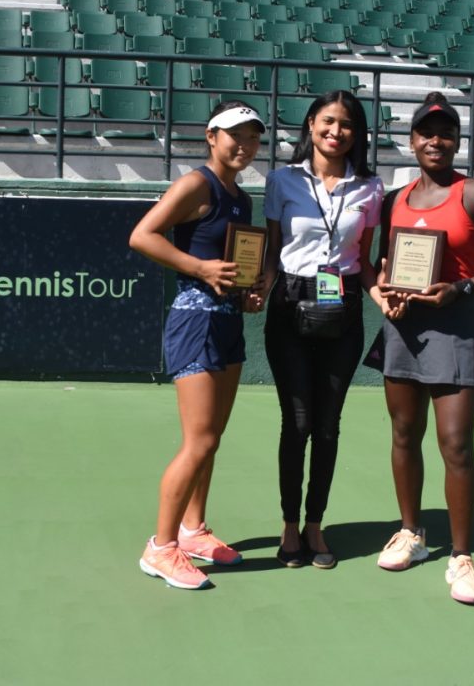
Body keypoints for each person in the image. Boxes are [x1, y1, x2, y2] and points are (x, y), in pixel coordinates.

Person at [364, 92, 474, 604]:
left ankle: (461, 557)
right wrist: (385, 294)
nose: (435, 140)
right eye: (426, 132)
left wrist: (465, 288)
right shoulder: (393, 198)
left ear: (457, 140)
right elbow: (379, 263)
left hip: (455, 325)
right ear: (411, 140)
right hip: (403, 327)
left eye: (446, 132)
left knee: (456, 445)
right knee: (403, 433)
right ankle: (412, 533)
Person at [129, 101, 268, 590]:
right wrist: (200, 268)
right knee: (200, 440)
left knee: (212, 439)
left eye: (253, 138)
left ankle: (193, 531)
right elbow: (142, 236)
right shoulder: (195, 184)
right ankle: (160, 547)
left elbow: (236, 263)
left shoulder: (241, 198)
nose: (244, 146)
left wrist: (249, 290)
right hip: (194, 323)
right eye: (235, 135)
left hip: (228, 323)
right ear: (211, 136)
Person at [261, 90, 390, 570]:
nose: (337, 132)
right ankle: (290, 525)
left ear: (357, 134)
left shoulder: (371, 189)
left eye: (348, 124)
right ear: (311, 124)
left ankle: (317, 523)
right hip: (290, 309)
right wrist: (259, 289)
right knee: (296, 423)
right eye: (328, 121)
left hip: (344, 309)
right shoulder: (281, 180)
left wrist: (383, 299)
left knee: (328, 426)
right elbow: (273, 252)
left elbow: (366, 261)